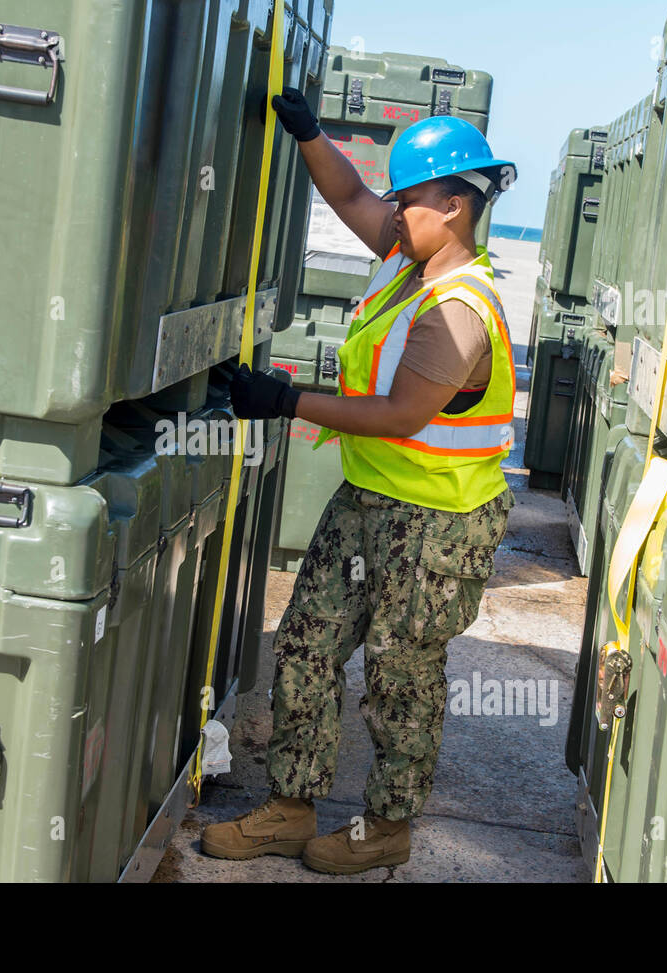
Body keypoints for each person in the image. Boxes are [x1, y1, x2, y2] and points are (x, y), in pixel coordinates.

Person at [200, 88, 518, 874]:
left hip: (436, 521)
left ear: (451, 207)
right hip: (370, 500)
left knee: (399, 674)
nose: (390, 212)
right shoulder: (408, 258)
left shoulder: (461, 306)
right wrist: (310, 134)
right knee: (307, 643)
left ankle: (386, 825)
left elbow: (405, 411)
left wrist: (285, 401)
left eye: (405, 201)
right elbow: (347, 191)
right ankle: (290, 806)